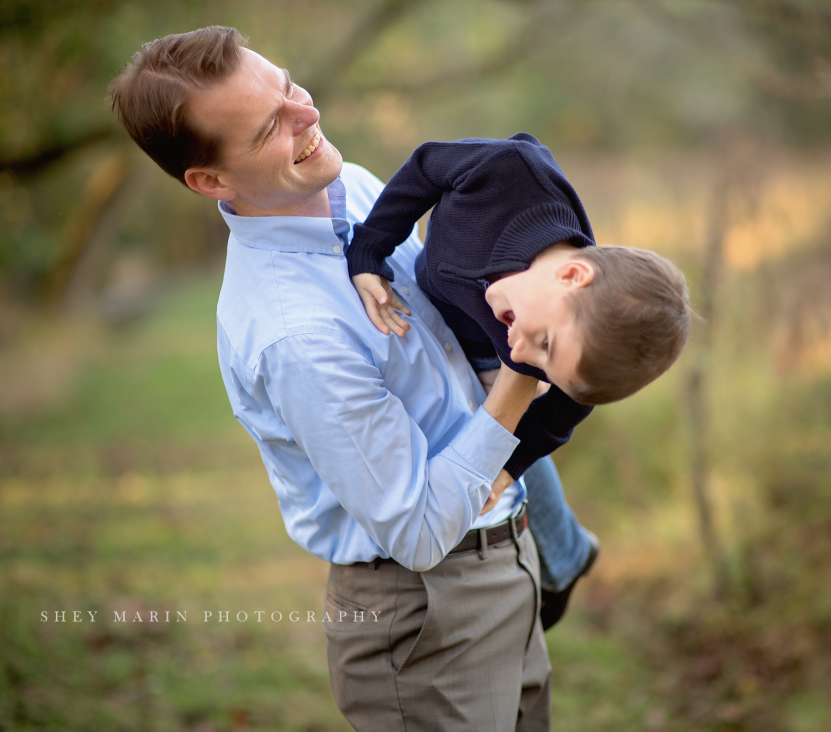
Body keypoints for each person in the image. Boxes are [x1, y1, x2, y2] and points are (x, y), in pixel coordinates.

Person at [109, 26, 552, 731]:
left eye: (288, 87)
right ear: (211, 181)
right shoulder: (296, 334)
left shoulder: (345, 184)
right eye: (269, 128)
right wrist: (528, 371)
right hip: (427, 617)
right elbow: (415, 532)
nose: (306, 116)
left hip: (505, 563)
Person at [347, 135, 692, 625]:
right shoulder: (509, 175)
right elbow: (425, 169)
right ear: (572, 275)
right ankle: (569, 549)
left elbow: (561, 409)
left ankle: (558, 556)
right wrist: (369, 250)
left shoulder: (542, 344)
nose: (523, 359)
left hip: (477, 338)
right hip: (449, 292)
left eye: (544, 369)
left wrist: (511, 465)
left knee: (500, 442)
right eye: (546, 345)